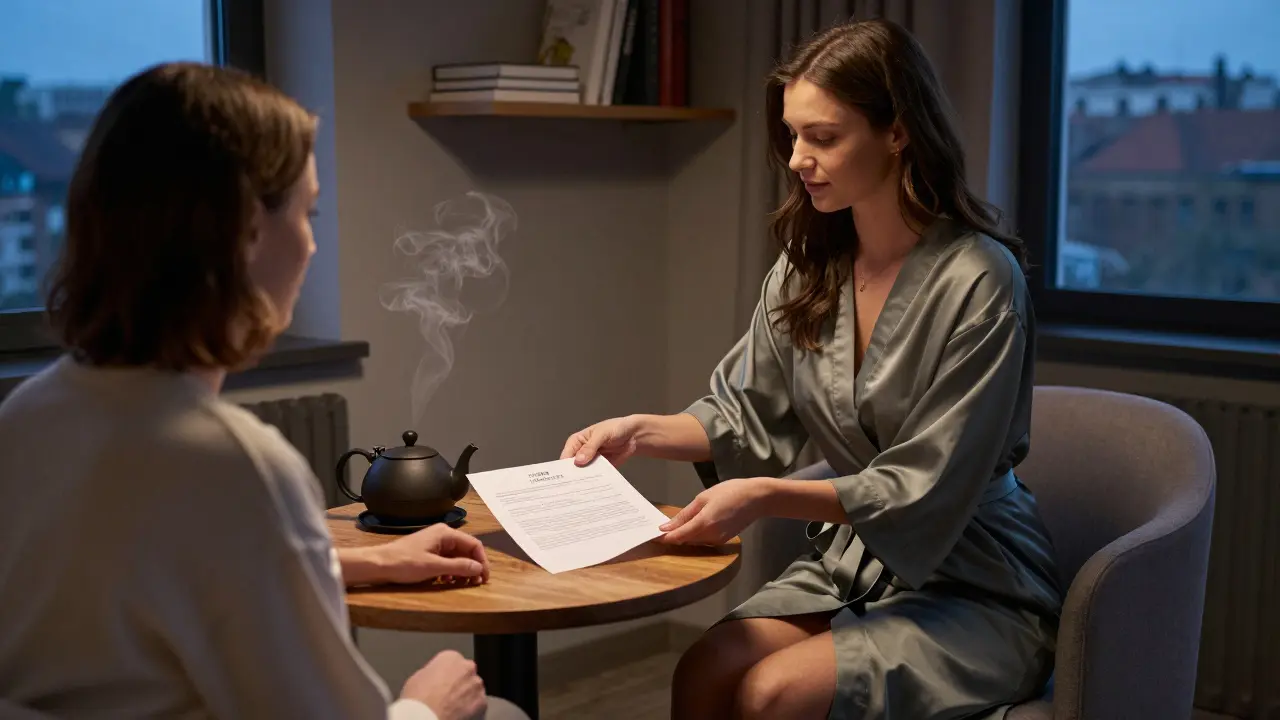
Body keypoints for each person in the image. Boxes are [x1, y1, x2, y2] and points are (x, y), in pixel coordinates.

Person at [561, 19, 1062, 720]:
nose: (798, 158)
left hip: (977, 584)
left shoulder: (980, 281)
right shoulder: (805, 270)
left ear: (897, 131)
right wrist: (637, 432)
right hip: (857, 568)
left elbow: (923, 485)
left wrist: (765, 496)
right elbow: (741, 412)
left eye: (823, 137)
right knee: (705, 669)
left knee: (772, 693)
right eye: (793, 135)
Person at [0, 62, 525, 720]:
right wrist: (428, 705)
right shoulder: (235, 465)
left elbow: (146, 595)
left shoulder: (27, 416)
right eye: (306, 213)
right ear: (246, 232)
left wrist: (369, 562)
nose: (309, 246)